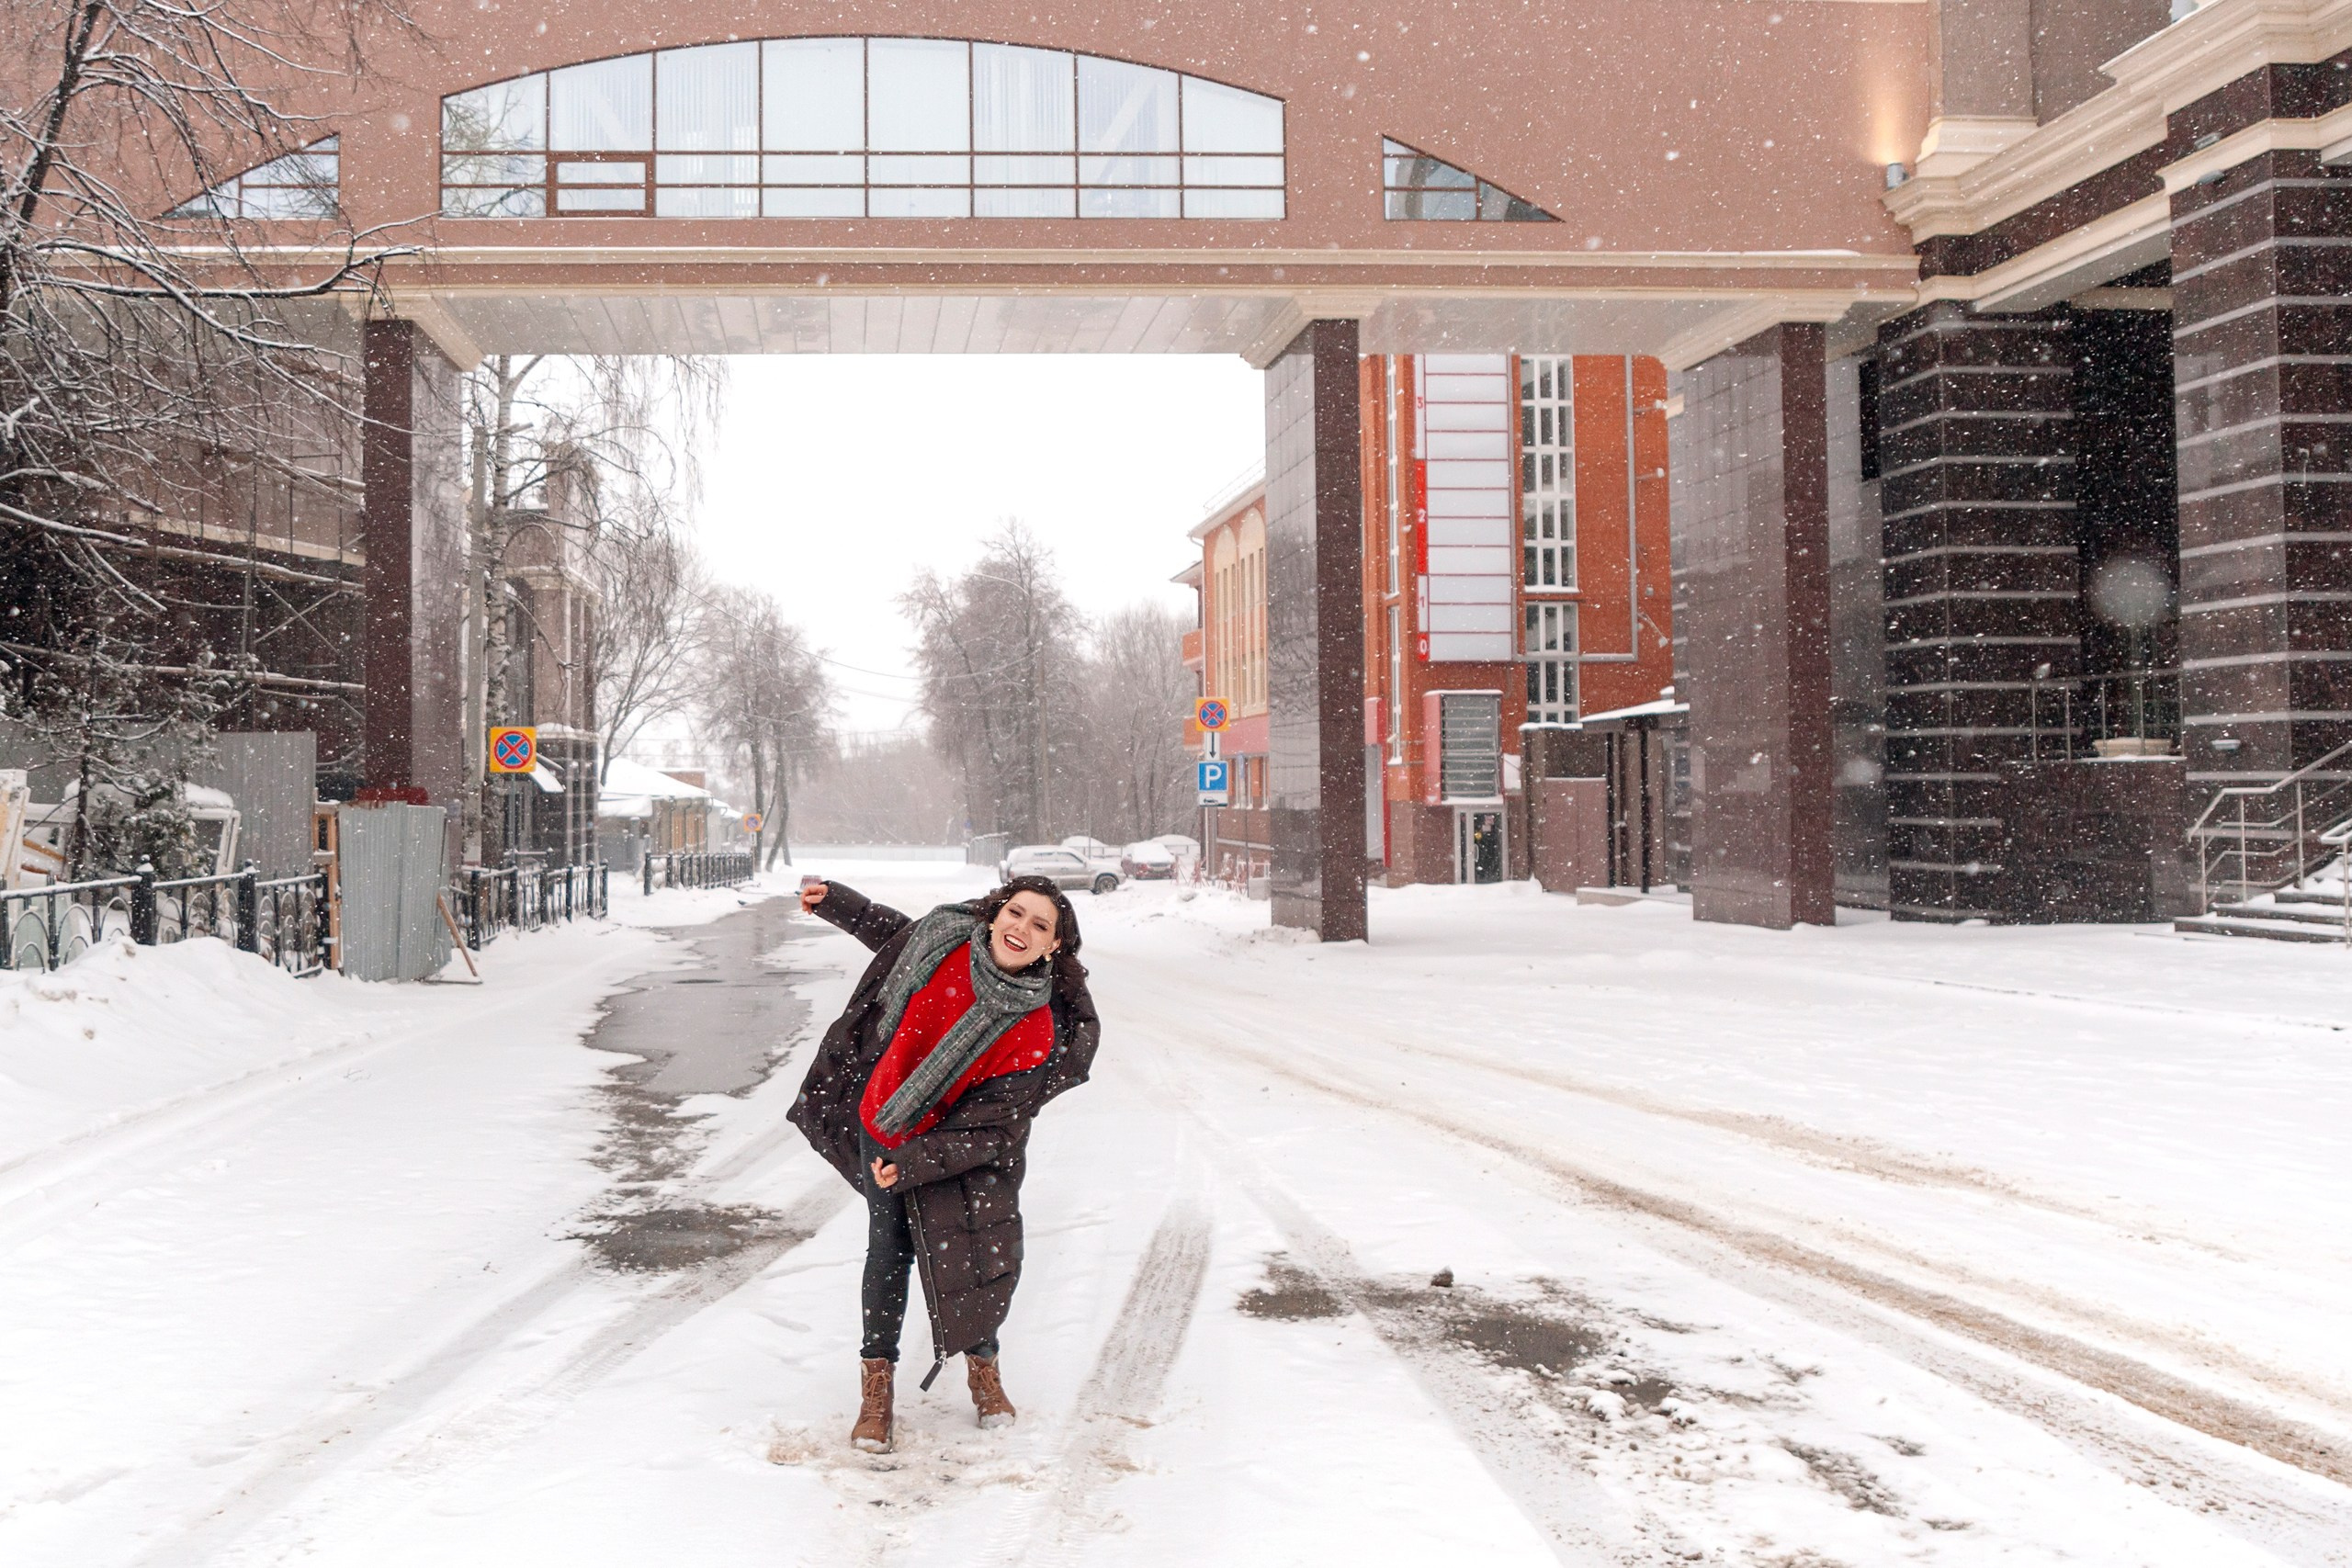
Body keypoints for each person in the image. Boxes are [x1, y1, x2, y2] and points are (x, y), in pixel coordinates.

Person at [788, 874, 1101, 1454]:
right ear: (994, 914)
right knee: (889, 1249)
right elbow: (891, 935)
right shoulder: (944, 941)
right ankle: (876, 1389)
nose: (1022, 929)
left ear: (1053, 946)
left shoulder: (1034, 1025)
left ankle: (984, 1369)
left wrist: (917, 1162)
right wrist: (838, 903)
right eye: (1016, 913)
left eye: (1040, 925)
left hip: (966, 1146)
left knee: (974, 1250)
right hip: (885, 1119)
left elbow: (995, 1125)